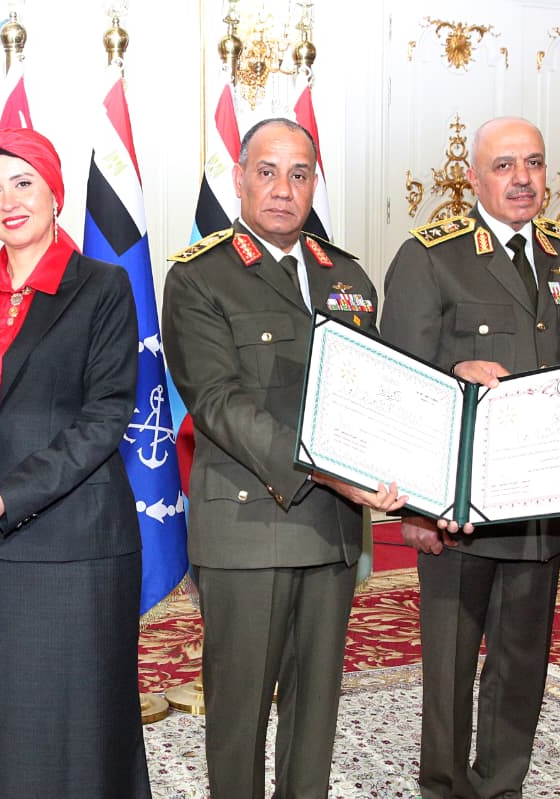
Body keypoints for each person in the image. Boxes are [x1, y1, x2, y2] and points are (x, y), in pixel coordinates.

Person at [161, 117, 407, 799]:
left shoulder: (346, 275)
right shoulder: (199, 277)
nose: (282, 189)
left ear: (313, 185)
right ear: (240, 179)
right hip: (248, 526)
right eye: (266, 172)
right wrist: (329, 470)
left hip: (332, 529)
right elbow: (218, 402)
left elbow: (379, 391)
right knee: (239, 718)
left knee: (314, 715)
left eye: (299, 175)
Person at [0, 128, 150, 798]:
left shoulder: (103, 286)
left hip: (71, 542)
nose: (8, 201)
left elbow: (105, 417)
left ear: (55, 192)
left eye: (23, 183)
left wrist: (6, 499)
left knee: (74, 725)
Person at [379, 116, 560, 799]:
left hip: (539, 507)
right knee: (449, 666)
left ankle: (502, 785)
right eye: (504, 166)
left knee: (521, 664)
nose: (522, 179)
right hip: (459, 508)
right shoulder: (431, 257)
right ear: (473, 179)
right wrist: (417, 508)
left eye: (533, 163)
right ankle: (443, 788)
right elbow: (400, 383)